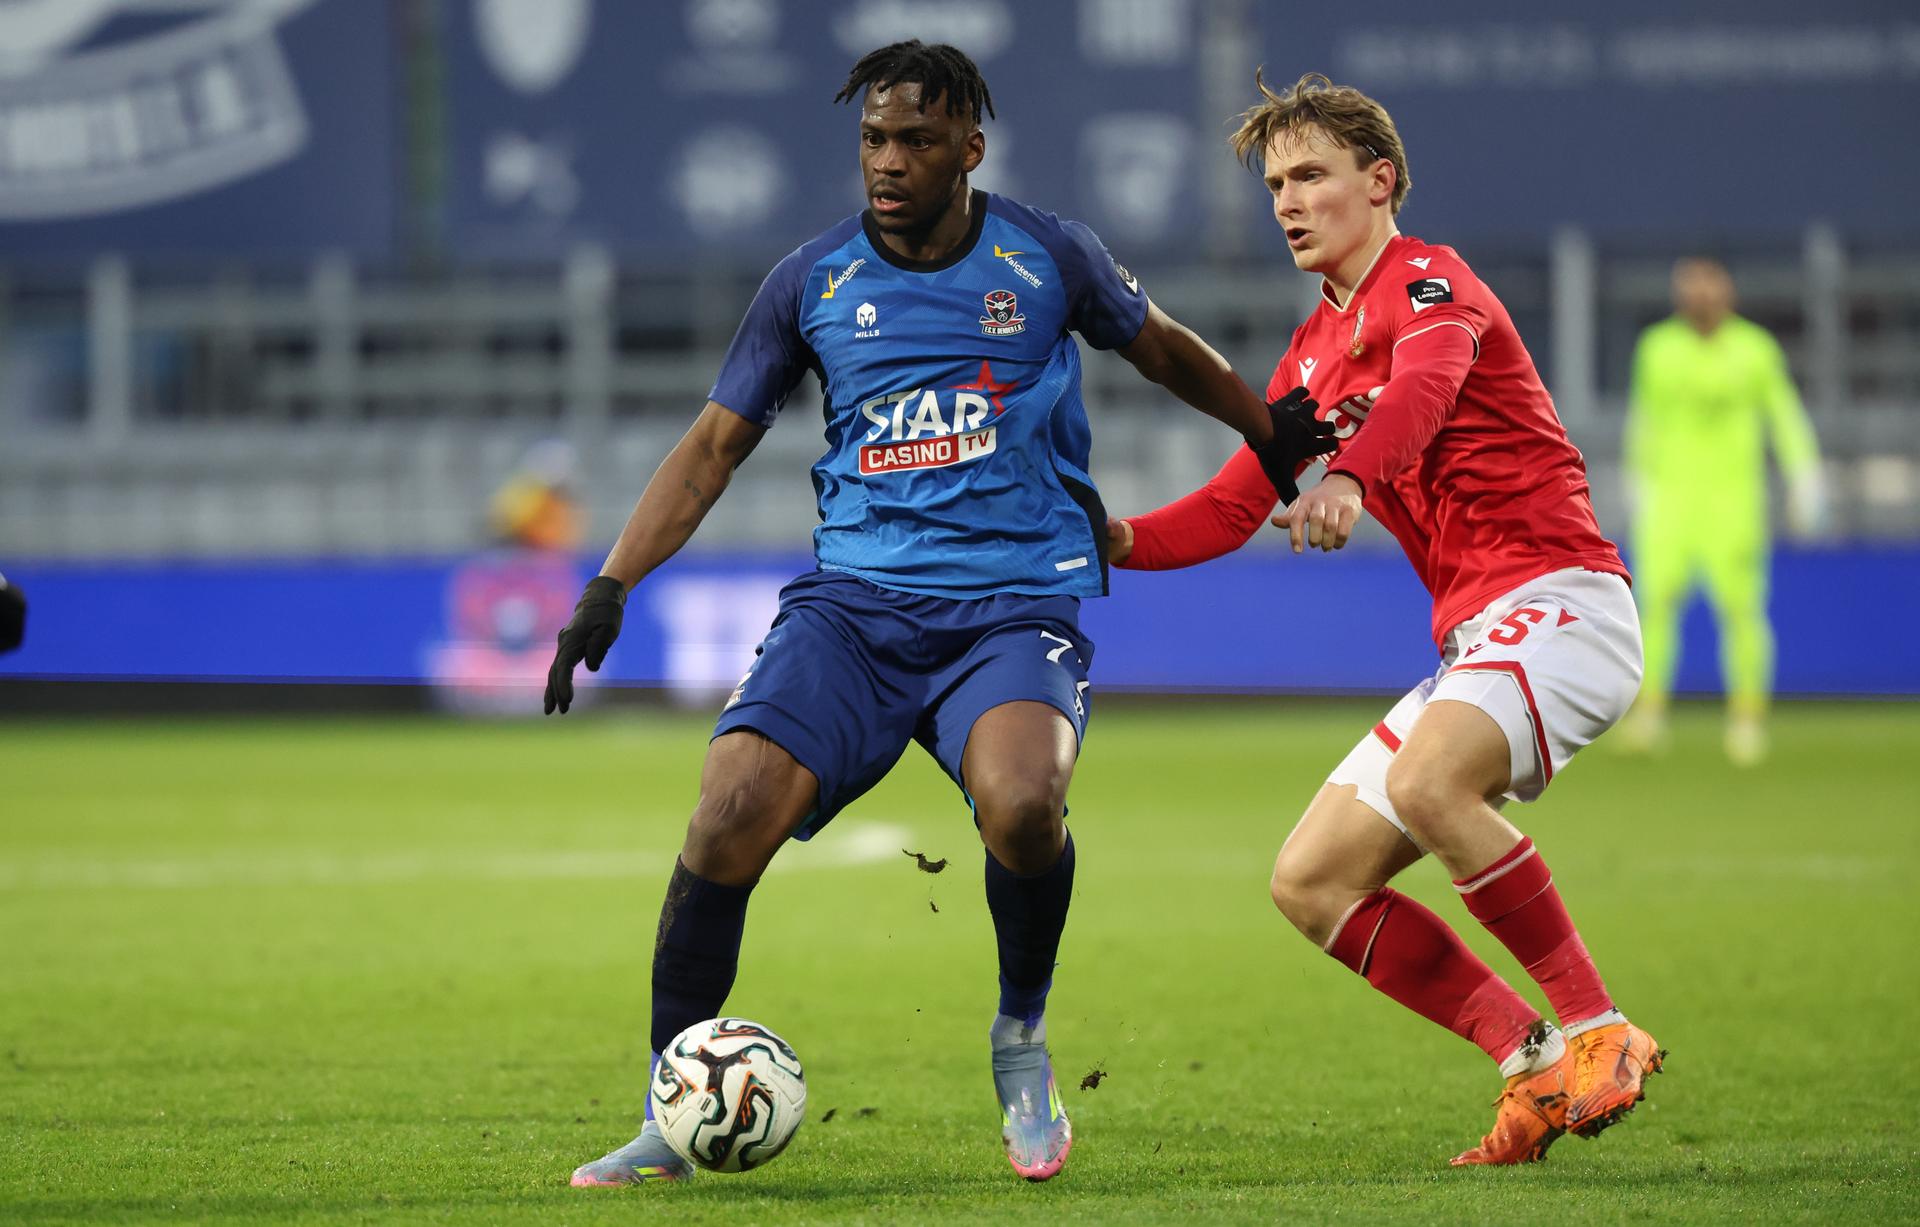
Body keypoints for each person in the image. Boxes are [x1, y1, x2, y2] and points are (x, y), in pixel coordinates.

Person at [546, 41, 1329, 1186]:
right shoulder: (810, 282)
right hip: (854, 611)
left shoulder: (1046, 253)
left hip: (1012, 604)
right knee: (724, 818)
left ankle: (1020, 1038)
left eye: (916, 141)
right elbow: (713, 448)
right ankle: (675, 1104)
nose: (888, 162)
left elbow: (1159, 349)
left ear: (970, 149)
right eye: (873, 139)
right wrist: (610, 584)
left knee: (1024, 805)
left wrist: (1271, 428)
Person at [1106, 72, 1664, 1166]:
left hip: (1562, 600)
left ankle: (1600, 1030)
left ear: (1381, 180)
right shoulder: (1309, 362)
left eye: (1310, 174)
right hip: (1482, 638)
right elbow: (1231, 505)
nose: (1287, 201)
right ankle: (1533, 1059)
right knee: (1309, 880)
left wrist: (1352, 479)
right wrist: (1113, 540)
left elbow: (1424, 393)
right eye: (1275, 183)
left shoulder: (1429, 286)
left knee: (1425, 783)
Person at [1621, 258, 1824, 766]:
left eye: (1709, 288)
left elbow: (1784, 414)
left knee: (1742, 611)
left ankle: (1747, 719)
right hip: (1670, 498)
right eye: (1691, 288)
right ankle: (1648, 714)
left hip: (1734, 500)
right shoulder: (1658, 348)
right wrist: (1635, 480)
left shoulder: (1754, 349)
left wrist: (1804, 476)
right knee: (1655, 610)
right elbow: (1644, 418)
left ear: (1726, 292)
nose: (1700, 298)